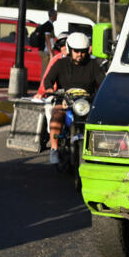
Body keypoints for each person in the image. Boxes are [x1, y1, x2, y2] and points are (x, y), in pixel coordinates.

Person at [43, 32, 105, 165]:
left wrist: (105, 92)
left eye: (83, 51)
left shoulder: (93, 65)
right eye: (76, 51)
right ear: (70, 49)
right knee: (56, 117)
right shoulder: (60, 64)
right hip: (65, 102)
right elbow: (48, 79)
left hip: (86, 104)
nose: (80, 54)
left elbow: (103, 81)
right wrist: (49, 89)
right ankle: (54, 148)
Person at [31, 9, 57, 77]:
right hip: (45, 51)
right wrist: (51, 52)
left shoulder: (47, 25)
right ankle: (43, 86)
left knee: (46, 69)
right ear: (52, 16)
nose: (56, 16)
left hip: (44, 50)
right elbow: (47, 39)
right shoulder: (48, 25)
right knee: (45, 70)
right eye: (56, 15)